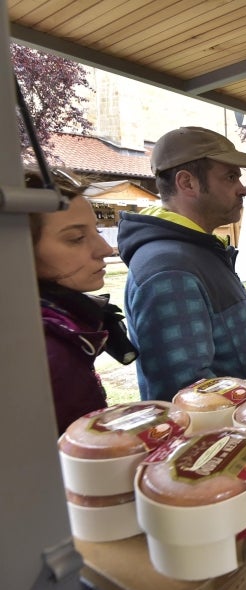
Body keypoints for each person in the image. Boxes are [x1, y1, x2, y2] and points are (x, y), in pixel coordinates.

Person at [118, 126, 246, 401]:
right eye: (230, 177)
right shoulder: (168, 269)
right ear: (187, 183)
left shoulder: (195, 250)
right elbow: (189, 397)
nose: (242, 190)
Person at [29, 171, 138, 434]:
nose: (104, 248)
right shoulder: (45, 353)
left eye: (97, 231)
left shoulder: (64, 325)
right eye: (76, 238)